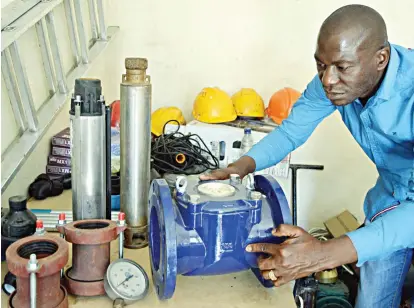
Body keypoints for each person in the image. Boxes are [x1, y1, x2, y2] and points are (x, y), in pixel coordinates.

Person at [200, 4, 414, 308]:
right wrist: (239, 168)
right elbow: (290, 132)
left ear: (380, 59)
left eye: (341, 67)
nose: (327, 79)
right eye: (320, 65)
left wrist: (323, 254)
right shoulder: (333, 82)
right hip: (391, 199)